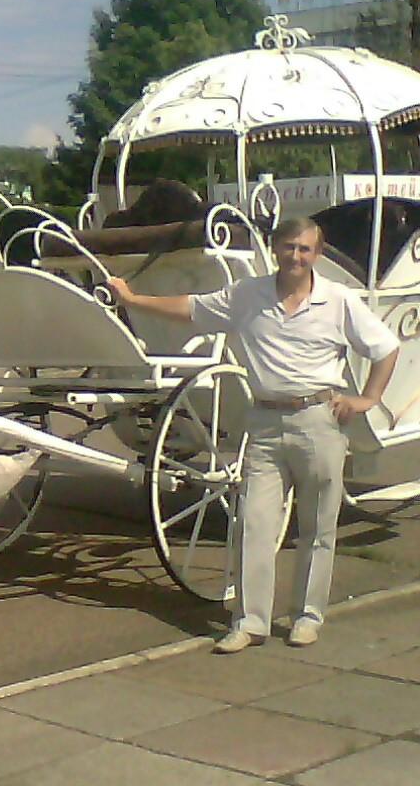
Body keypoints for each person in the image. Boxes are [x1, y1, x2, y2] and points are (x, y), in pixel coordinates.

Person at [107, 215, 399, 653]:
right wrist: (133, 299)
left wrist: (368, 399)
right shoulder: (248, 296)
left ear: (317, 255)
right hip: (263, 422)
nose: (296, 256)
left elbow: (385, 347)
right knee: (253, 524)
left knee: (318, 525)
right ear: (275, 249)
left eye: (305, 249)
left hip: (318, 419)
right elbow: (191, 309)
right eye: (288, 247)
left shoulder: (338, 301)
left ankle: (307, 616)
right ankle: (250, 621)